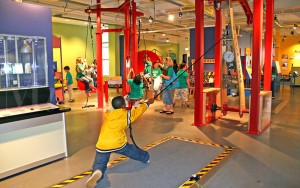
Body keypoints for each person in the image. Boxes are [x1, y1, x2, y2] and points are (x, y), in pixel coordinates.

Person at [86, 96, 155, 188]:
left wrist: (123, 106)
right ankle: (145, 157)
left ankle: (97, 172)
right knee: (131, 150)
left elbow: (116, 108)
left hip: (102, 143)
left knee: (99, 163)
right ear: (123, 105)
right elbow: (138, 112)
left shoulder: (109, 113)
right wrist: (147, 103)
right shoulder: (126, 115)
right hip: (117, 142)